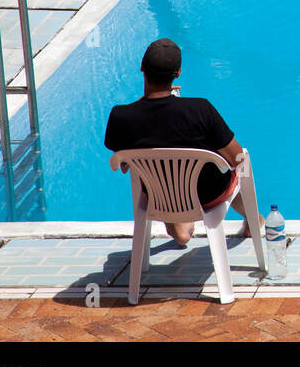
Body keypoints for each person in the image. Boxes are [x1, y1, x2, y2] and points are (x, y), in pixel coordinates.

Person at [104, 39, 258, 246]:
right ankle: (253, 219)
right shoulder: (200, 110)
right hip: (206, 195)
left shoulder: (120, 117)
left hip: (158, 196)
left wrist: (143, 106)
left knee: (158, 168)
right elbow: (238, 158)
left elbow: (124, 167)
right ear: (178, 73)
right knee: (236, 162)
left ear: (142, 68)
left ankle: (177, 223)